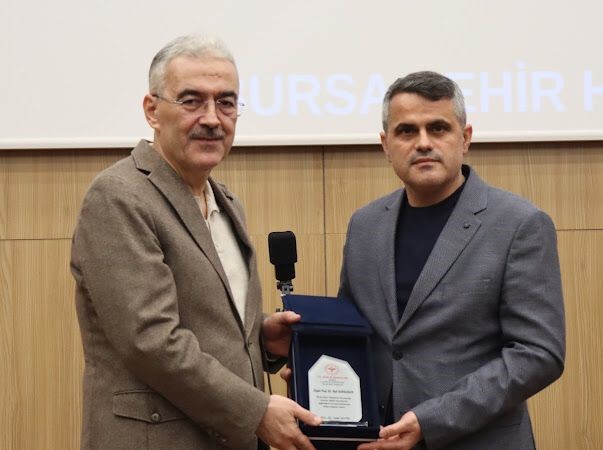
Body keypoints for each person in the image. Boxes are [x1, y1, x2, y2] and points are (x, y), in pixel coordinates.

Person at [70, 34, 320, 450]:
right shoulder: (118, 196)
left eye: (226, 103)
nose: (212, 119)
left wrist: (261, 336)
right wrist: (255, 411)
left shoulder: (228, 203)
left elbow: (207, 321)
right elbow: (151, 340)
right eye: (191, 101)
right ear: (152, 110)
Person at [338, 71, 565, 450]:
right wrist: (315, 369)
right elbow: (351, 334)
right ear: (386, 145)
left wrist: (432, 420)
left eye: (438, 128)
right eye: (406, 131)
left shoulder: (519, 224)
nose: (423, 143)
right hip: (380, 440)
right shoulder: (364, 225)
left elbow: (539, 354)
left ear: (466, 138)